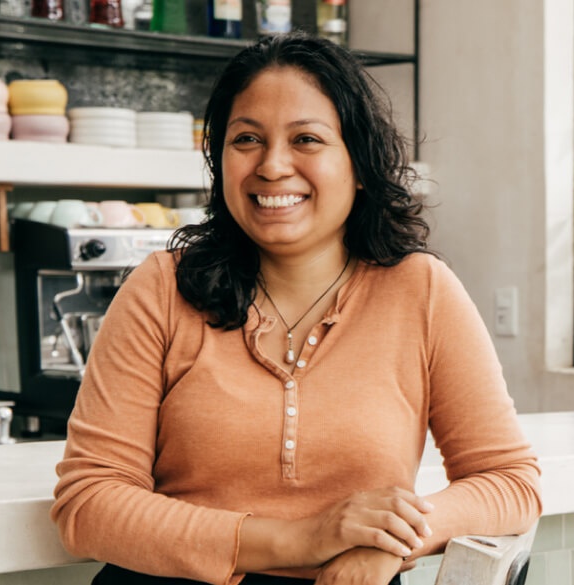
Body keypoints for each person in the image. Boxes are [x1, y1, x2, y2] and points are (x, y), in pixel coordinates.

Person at [51, 32, 542, 585]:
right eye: (246, 140)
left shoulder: (422, 290)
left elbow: (510, 481)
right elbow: (88, 505)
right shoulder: (161, 289)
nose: (272, 166)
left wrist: (395, 540)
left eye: (306, 139)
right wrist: (305, 539)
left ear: (359, 163)